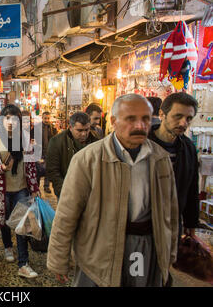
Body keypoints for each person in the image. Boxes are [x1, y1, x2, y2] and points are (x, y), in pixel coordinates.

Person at [47, 94, 179, 287]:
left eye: (145, 119)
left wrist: (170, 252)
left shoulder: (160, 159)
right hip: (100, 252)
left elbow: (171, 212)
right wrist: (59, 260)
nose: (140, 126)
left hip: (141, 250)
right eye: (131, 119)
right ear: (114, 121)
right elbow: (67, 214)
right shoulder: (88, 159)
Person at [0, 104, 40, 278]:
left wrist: (34, 188)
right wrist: (0, 167)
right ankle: (8, 246)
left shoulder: (25, 139)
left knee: (22, 223)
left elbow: (31, 166)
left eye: (15, 119)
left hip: (21, 188)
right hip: (1, 190)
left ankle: (23, 263)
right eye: (7, 118)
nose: (11, 122)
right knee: (5, 220)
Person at [148, 92, 199, 244]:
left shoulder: (188, 148)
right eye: (178, 116)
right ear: (162, 114)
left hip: (173, 226)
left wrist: (191, 223)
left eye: (188, 119)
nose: (183, 123)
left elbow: (191, 188)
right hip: (142, 227)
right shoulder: (143, 144)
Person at [46, 112, 98, 199]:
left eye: (87, 130)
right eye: (79, 130)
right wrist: (65, 191)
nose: (84, 134)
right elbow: (53, 171)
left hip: (91, 194)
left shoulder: (96, 141)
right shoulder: (57, 142)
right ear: (70, 127)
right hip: (67, 194)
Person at [39, 111, 57, 193]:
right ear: (42, 118)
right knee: (39, 170)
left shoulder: (52, 128)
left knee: (48, 170)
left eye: (48, 118)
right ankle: (37, 187)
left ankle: (46, 186)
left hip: (49, 152)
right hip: (40, 152)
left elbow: (55, 138)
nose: (46, 120)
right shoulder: (37, 127)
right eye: (45, 118)